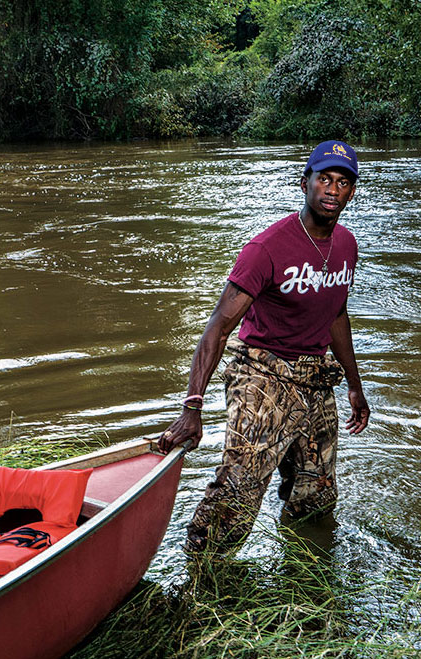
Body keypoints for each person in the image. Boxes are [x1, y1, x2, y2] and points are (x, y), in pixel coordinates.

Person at [157, 140, 370, 554]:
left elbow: (337, 315)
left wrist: (355, 386)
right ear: (304, 182)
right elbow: (218, 326)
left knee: (317, 495)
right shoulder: (266, 249)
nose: (332, 190)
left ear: (352, 192)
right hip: (262, 374)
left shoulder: (346, 245)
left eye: (342, 182)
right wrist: (192, 408)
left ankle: (307, 572)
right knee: (236, 493)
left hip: (315, 376)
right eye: (324, 179)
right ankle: (201, 578)